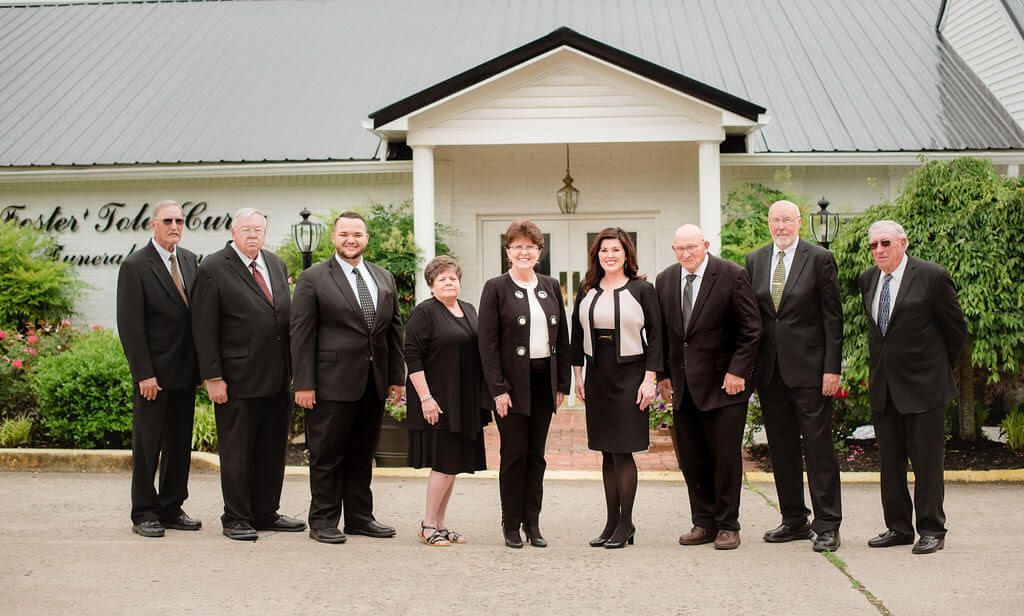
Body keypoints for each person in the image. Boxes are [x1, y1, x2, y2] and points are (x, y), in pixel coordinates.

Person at [191, 208, 306, 541]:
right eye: (246, 229)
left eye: (259, 229)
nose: (253, 234)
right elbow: (203, 327)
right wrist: (212, 376)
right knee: (238, 451)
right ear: (233, 231)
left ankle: (265, 512)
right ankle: (236, 517)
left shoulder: (275, 263)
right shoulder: (213, 267)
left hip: (277, 376)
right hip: (236, 379)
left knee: (272, 450)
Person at [291, 211, 404, 545]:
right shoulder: (313, 278)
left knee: (361, 453)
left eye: (357, 234)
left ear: (367, 238)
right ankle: (323, 521)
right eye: (344, 234)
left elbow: (393, 330)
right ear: (333, 238)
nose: (351, 240)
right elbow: (301, 335)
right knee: (327, 455)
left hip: (373, 381)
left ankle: (359, 518)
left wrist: (396, 377)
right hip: (329, 382)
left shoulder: (383, 277)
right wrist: (304, 383)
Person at [859, 220, 966, 555]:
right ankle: (898, 527)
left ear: (903, 243)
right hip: (885, 387)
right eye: (874, 245)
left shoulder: (932, 276)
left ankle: (932, 529)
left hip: (925, 388)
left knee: (927, 464)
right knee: (890, 464)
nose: (879, 250)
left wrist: (935, 370)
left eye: (885, 243)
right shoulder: (868, 279)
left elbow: (956, 332)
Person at [744, 200, 844, 552]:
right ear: (768, 223)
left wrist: (832, 368)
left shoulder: (818, 259)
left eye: (787, 219)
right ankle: (794, 520)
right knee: (782, 449)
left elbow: (833, 318)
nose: (781, 226)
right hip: (770, 373)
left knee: (818, 450)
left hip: (811, 371)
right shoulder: (755, 260)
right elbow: (753, 318)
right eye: (775, 220)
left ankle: (828, 523)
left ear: (799, 222)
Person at [655, 224, 761, 550]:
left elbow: (751, 328)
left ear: (705, 245)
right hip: (684, 387)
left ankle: (728, 525)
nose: (686, 254)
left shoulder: (731, 274)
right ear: (674, 250)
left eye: (692, 247)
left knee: (725, 459)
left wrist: (738, 371)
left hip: (724, 386)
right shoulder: (666, 280)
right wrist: (663, 376)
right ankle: (703, 522)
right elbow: (664, 334)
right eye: (680, 249)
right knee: (692, 458)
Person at [478, 220, 570, 549]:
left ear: (539, 252)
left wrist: (562, 384)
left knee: (537, 456)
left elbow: (563, 338)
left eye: (530, 246)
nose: (523, 251)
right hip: (511, 384)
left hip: (544, 379)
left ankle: (533, 523)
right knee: (514, 455)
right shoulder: (495, 287)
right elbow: (486, 344)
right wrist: (498, 389)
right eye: (517, 246)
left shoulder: (549, 285)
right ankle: (510, 524)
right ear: (507, 252)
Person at [570, 228, 662, 549]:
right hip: (597, 375)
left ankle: (626, 524)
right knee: (606, 453)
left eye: (616, 250)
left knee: (623, 452)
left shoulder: (642, 289)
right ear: (597, 255)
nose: (610, 255)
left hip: (631, 375)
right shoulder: (587, 290)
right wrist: (577, 376)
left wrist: (650, 379)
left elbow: (657, 338)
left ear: (627, 255)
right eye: (604, 250)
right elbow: (574, 335)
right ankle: (611, 521)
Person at [116, 199, 201, 538]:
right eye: (167, 220)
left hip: (185, 370)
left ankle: (171, 506)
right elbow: (130, 326)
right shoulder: (135, 266)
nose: (175, 226)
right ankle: (144, 512)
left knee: (180, 443)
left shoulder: (191, 260)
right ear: (153, 224)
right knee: (148, 445)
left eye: (179, 220)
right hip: (154, 375)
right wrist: (143, 374)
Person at [403, 255, 488, 547]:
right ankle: (428, 525)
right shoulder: (425, 313)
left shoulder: (469, 309)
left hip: (463, 399)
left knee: (453, 465)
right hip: (437, 399)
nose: (449, 282)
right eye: (442, 279)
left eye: (453, 278)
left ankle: (440, 523)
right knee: (443, 463)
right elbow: (412, 356)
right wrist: (426, 398)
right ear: (431, 285)